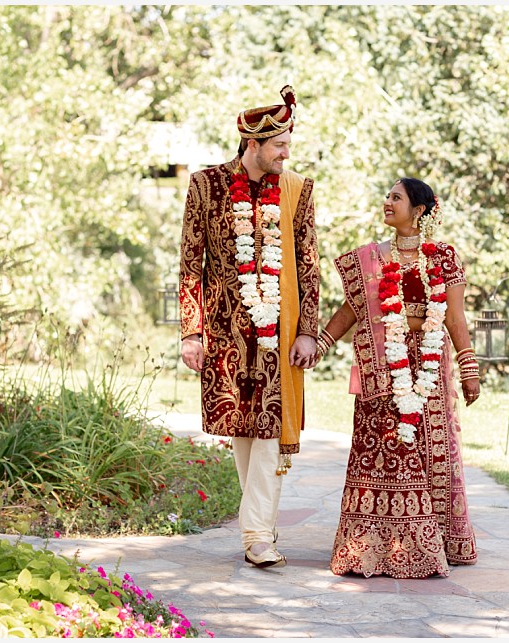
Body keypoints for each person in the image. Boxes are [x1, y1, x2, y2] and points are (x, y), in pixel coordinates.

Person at [179, 85, 319, 569]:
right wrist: (191, 331)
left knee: (270, 428)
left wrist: (308, 330)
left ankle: (258, 534)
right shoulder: (206, 186)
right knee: (243, 427)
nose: (285, 154)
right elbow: (189, 264)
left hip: (279, 332)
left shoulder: (297, 191)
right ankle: (258, 525)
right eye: (279, 145)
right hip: (223, 330)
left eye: (287, 145)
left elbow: (309, 264)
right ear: (252, 143)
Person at [313, 177, 479, 578]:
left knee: (429, 451)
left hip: (428, 368)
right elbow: (353, 310)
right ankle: (370, 544)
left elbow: (454, 317)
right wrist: (320, 342)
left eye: (396, 198)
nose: (387, 202)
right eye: (387, 196)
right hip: (381, 366)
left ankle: (435, 539)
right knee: (381, 451)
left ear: (418, 210)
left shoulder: (443, 257)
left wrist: (469, 368)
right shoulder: (371, 259)